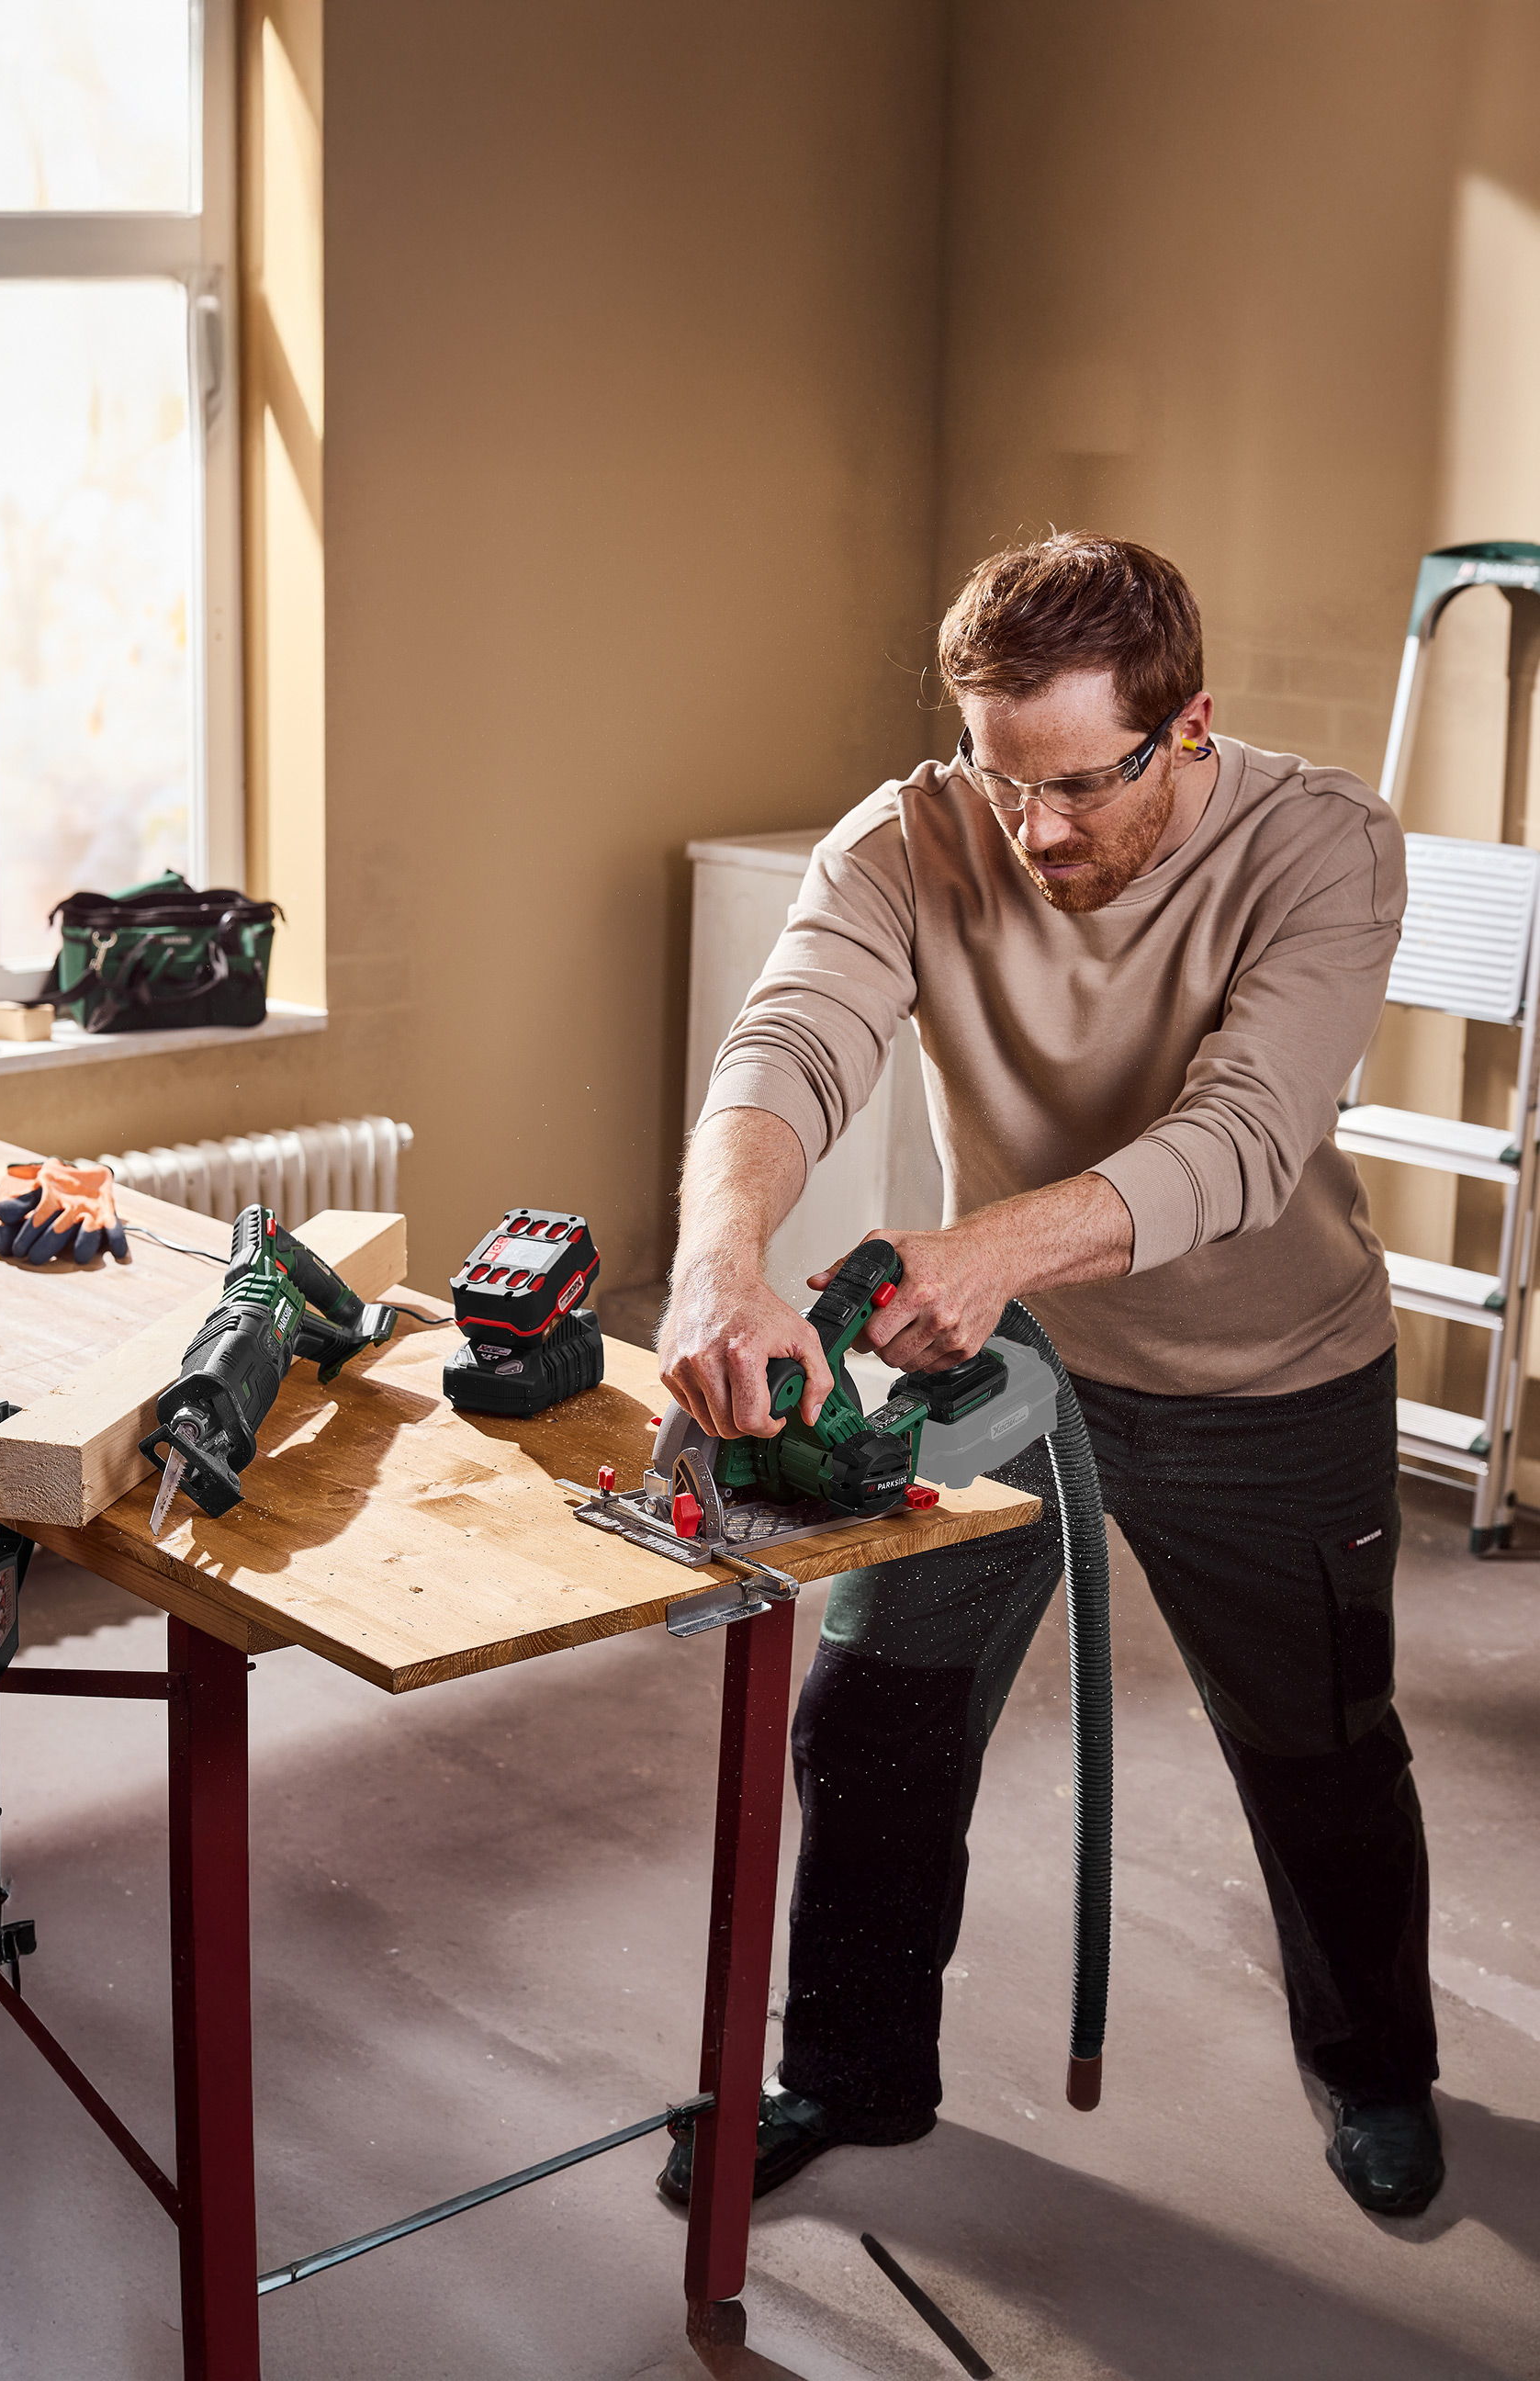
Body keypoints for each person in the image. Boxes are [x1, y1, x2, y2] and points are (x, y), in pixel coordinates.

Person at [655, 534, 1441, 2218]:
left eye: (1081, 783)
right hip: (1012, 1371)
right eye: (1005, 784)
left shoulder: (1325, 844)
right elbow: (789, 1044)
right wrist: (721, 1259)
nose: (1041, 834)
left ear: (1191, 724)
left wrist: (988, 1249)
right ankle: (851, 2074)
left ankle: (1375, 2070)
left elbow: (1242, 1140)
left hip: (1275, 1377)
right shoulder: (910, 837)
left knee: (1316, 1745)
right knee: (874, 1719)